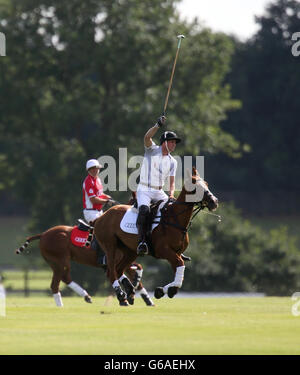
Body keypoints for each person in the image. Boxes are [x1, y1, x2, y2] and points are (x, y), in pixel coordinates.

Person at [136, 115, 181, 255]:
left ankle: (175, 244)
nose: (174, 144)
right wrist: (157, 125)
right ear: (164, 142)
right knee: (144, 210)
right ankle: (142, 241)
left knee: (173, 210)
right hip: (144, 189)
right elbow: (146, 138)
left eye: (175, 143)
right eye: (172, 142)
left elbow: (172, 182)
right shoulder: (152, 150)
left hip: (159, 191)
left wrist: (172, 194)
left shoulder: (173, 161)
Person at [83, 159, 111, 225]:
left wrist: (107, 197)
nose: (95, 170)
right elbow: (93, 199)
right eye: (92, 169)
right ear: (88, 170)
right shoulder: (88, 181)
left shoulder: (98, 179)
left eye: (97, 168)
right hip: (91, 212)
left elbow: (100, 194)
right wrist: (106, 201)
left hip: (99, 211)